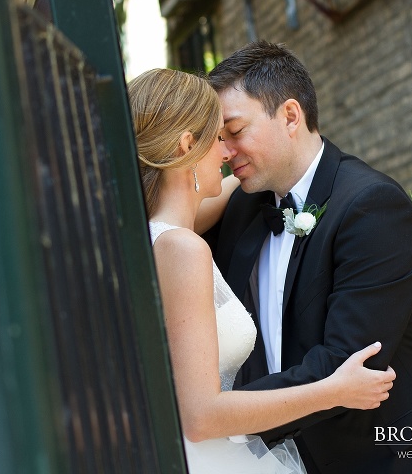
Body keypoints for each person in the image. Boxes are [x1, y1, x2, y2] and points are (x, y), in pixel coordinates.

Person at [205, 41, 412, 473]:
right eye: (219, 139)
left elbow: (346, 362)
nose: (226, 151)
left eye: (235, 131)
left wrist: (216, 419)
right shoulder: (243, 207)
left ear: (290, 116)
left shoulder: (371, 206)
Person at [129, 68, 395, 473]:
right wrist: (332, 390)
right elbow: (201, 416)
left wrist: (283, 160)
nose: (227, 152)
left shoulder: (147, 234)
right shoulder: (182, 247)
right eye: (220, 137)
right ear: (187, 145)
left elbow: (246, 183)